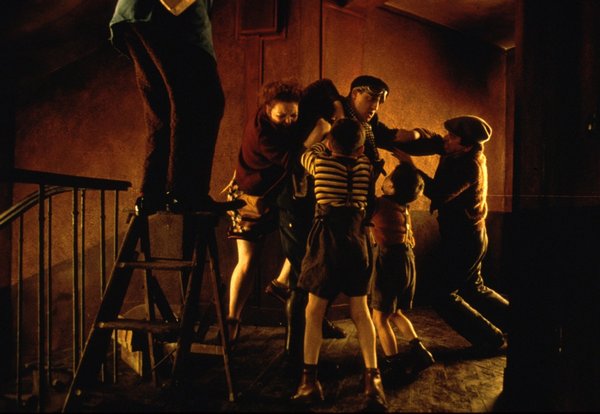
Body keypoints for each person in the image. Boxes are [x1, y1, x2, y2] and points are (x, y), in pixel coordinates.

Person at [291, 118, 387, 411]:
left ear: (331, 145)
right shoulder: (366, 166)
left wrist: (325, 132)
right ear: (360, 150)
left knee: (314, 311)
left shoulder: (320, 163)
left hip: (327, 241)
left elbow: (306, 152)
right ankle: (373, 382)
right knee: (361, 311)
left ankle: (309, 383)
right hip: (358, 241)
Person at [109, 0, 239, 215]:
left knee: (162, 108)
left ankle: (153, 194)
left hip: (132, 13)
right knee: (203, 103)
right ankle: (185, 193)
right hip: (172, 13)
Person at [400, 115, 509, 351]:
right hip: (468, 236)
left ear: (466, 145)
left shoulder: (470, 166)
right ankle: (523, 326)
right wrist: (403, 138)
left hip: (465, 239)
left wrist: (410, 166)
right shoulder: (458, 152)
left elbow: (439, 193)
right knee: (474, 289)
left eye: (452, 137)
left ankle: (492, 340)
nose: (446, 139)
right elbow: (433, 141)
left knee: (441, 295)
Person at [225, 79, 303, 344]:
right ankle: (232, 320)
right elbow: (292, 161)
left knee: (302, 241)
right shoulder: (262, 133)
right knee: (247, 261)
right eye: (282, 116)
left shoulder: (284, 120)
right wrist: (317, 135)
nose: (289, 121)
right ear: (268, 109)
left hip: (275, 196)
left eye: (294, 115)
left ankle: (281, 283)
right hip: (249, 198)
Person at [370, 162, 435, 380]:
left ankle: (394, 365)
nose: (385, 179)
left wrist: (370, 173)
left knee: (379, 318)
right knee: (396, 312)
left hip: (389, 262)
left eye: (388, 177)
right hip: (407, 259)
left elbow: (364, 200)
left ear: (392, 188)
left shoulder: (380, 204)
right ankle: (421, 352)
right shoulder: (403, 207)